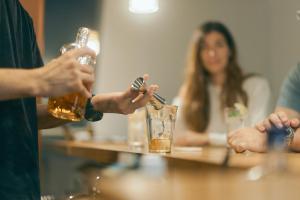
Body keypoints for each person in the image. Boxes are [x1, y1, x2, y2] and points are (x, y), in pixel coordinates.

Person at [0, 0, 158, 199]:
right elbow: (37, 83)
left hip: (20, 186)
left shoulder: (22, 19)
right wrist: (40, 79)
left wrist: (96, 104)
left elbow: (26, 117)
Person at [173, 21, 271, 146]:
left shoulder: (256, 86)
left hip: (243, 163)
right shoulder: (191, 92)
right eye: (204, 47)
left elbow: (257, 136)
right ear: (198, 56)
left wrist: (206, 138)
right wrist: (182, 96)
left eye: (218, 45)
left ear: (230, 50)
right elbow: (176, 136)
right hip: (202, 163)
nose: (212, 53)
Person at [228, 63, 300, 153]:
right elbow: (282, 125)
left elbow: (281, 135)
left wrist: (269, 140)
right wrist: (272, 131)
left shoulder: (256, 84)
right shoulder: (297, 73)